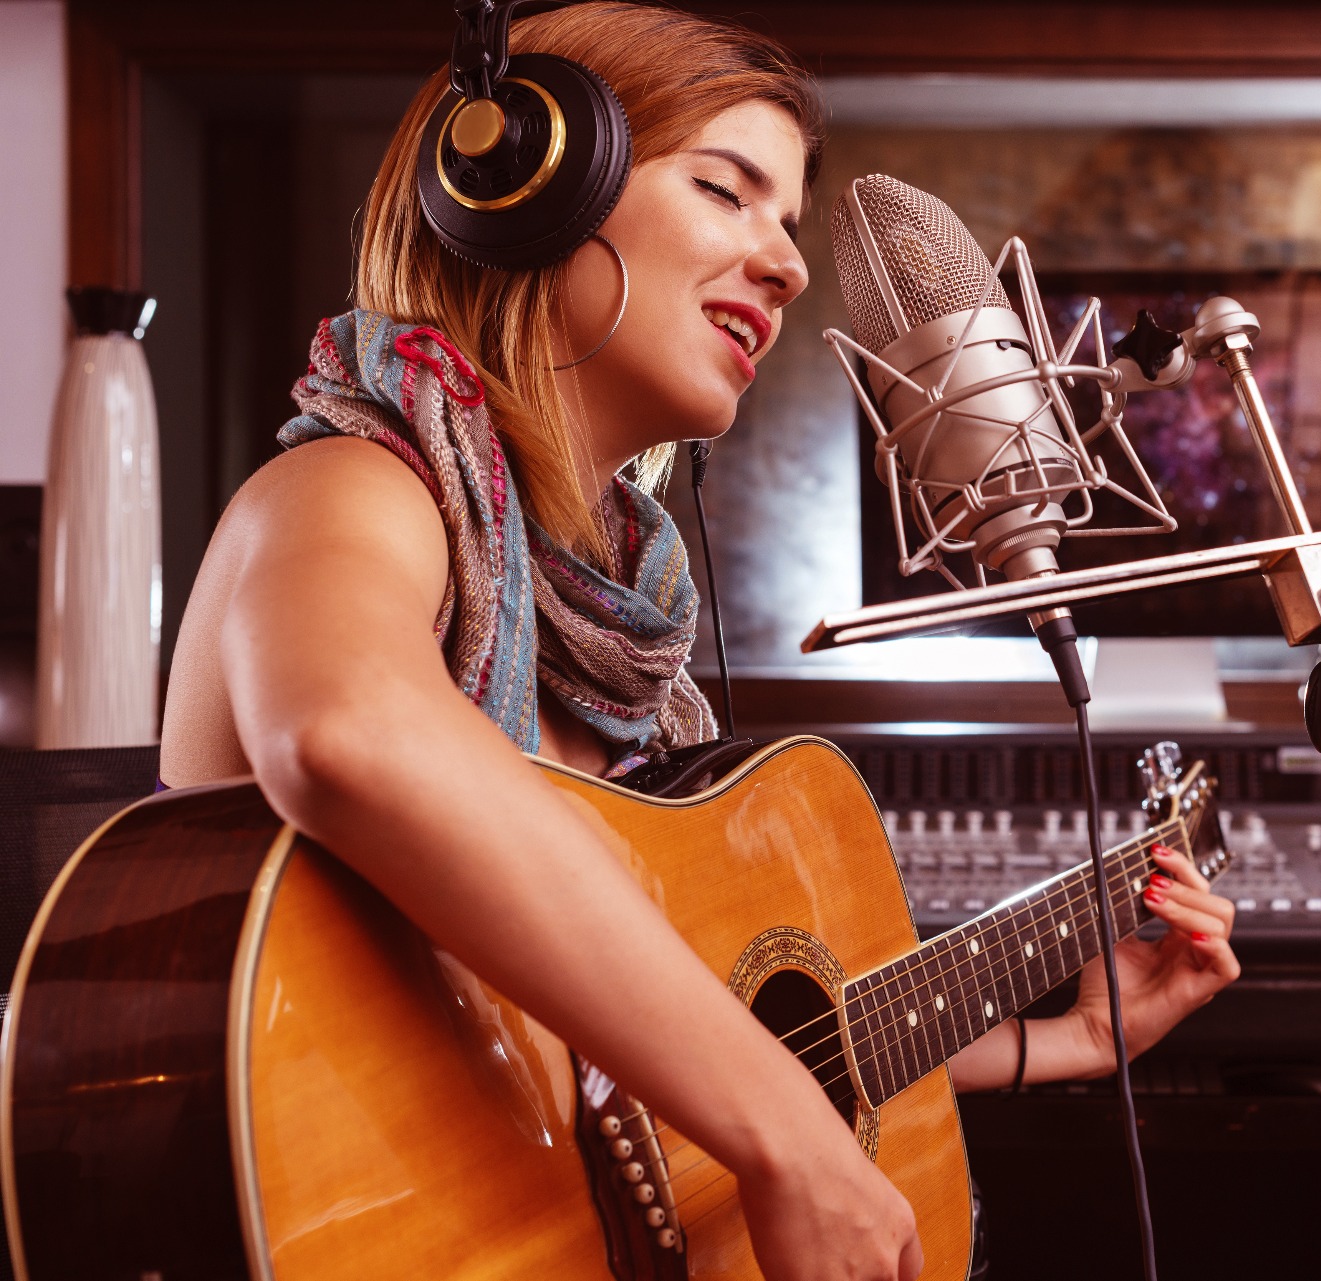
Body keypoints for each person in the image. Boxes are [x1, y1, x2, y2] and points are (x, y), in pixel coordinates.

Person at [156, 5, 1240, 1278]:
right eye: (729, 192)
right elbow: (345, 734)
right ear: (528, 190)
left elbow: (686, 1049)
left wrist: (1064, 1040)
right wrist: (785, 1134)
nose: (786, 263)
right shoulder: (352, 488)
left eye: (788, 222)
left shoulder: (631, 627)